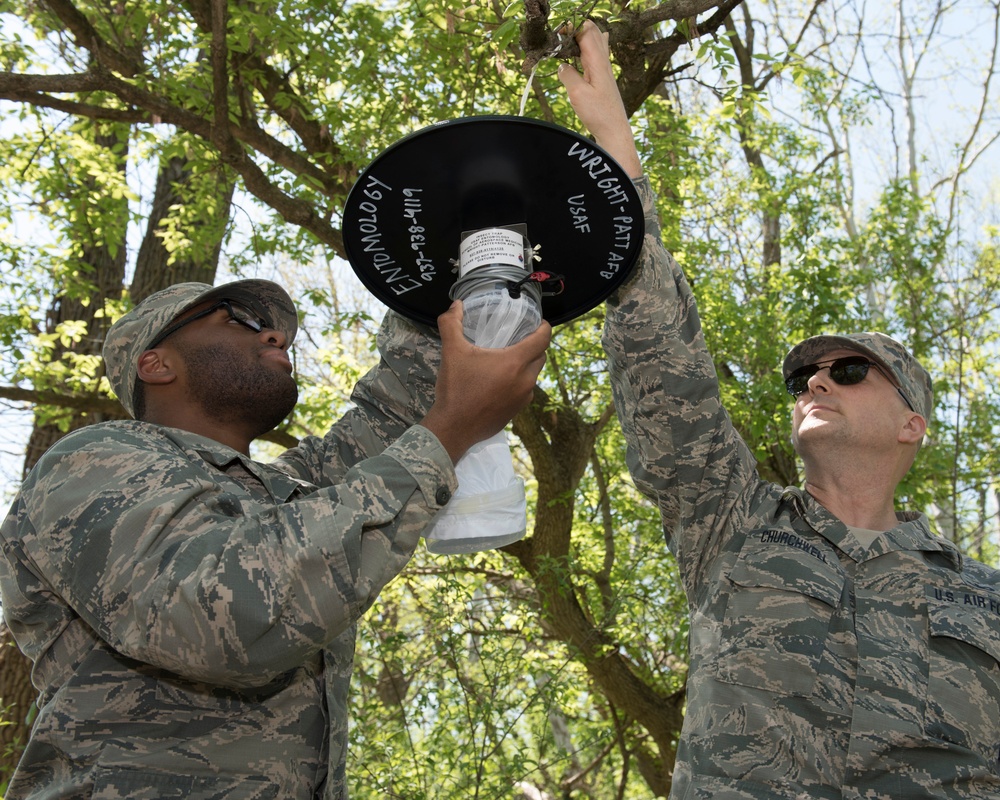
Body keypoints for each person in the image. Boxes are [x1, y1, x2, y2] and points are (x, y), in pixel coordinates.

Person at [560, 19, 1000, 799]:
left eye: (851, 371)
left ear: (913, 426)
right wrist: (618, 164)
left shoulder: (986, 597)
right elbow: (667, 369)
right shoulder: (730, 524)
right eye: (804, 379)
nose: (816, 384)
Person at [0, 279, 550, 799]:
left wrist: (454, 267)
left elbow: (409, 402)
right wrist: (448, 432)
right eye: (239, 319)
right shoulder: (92, 460)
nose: (276, 334)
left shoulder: (287, 495)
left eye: (274, 326)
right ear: (155, 363)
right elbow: (224, 610)